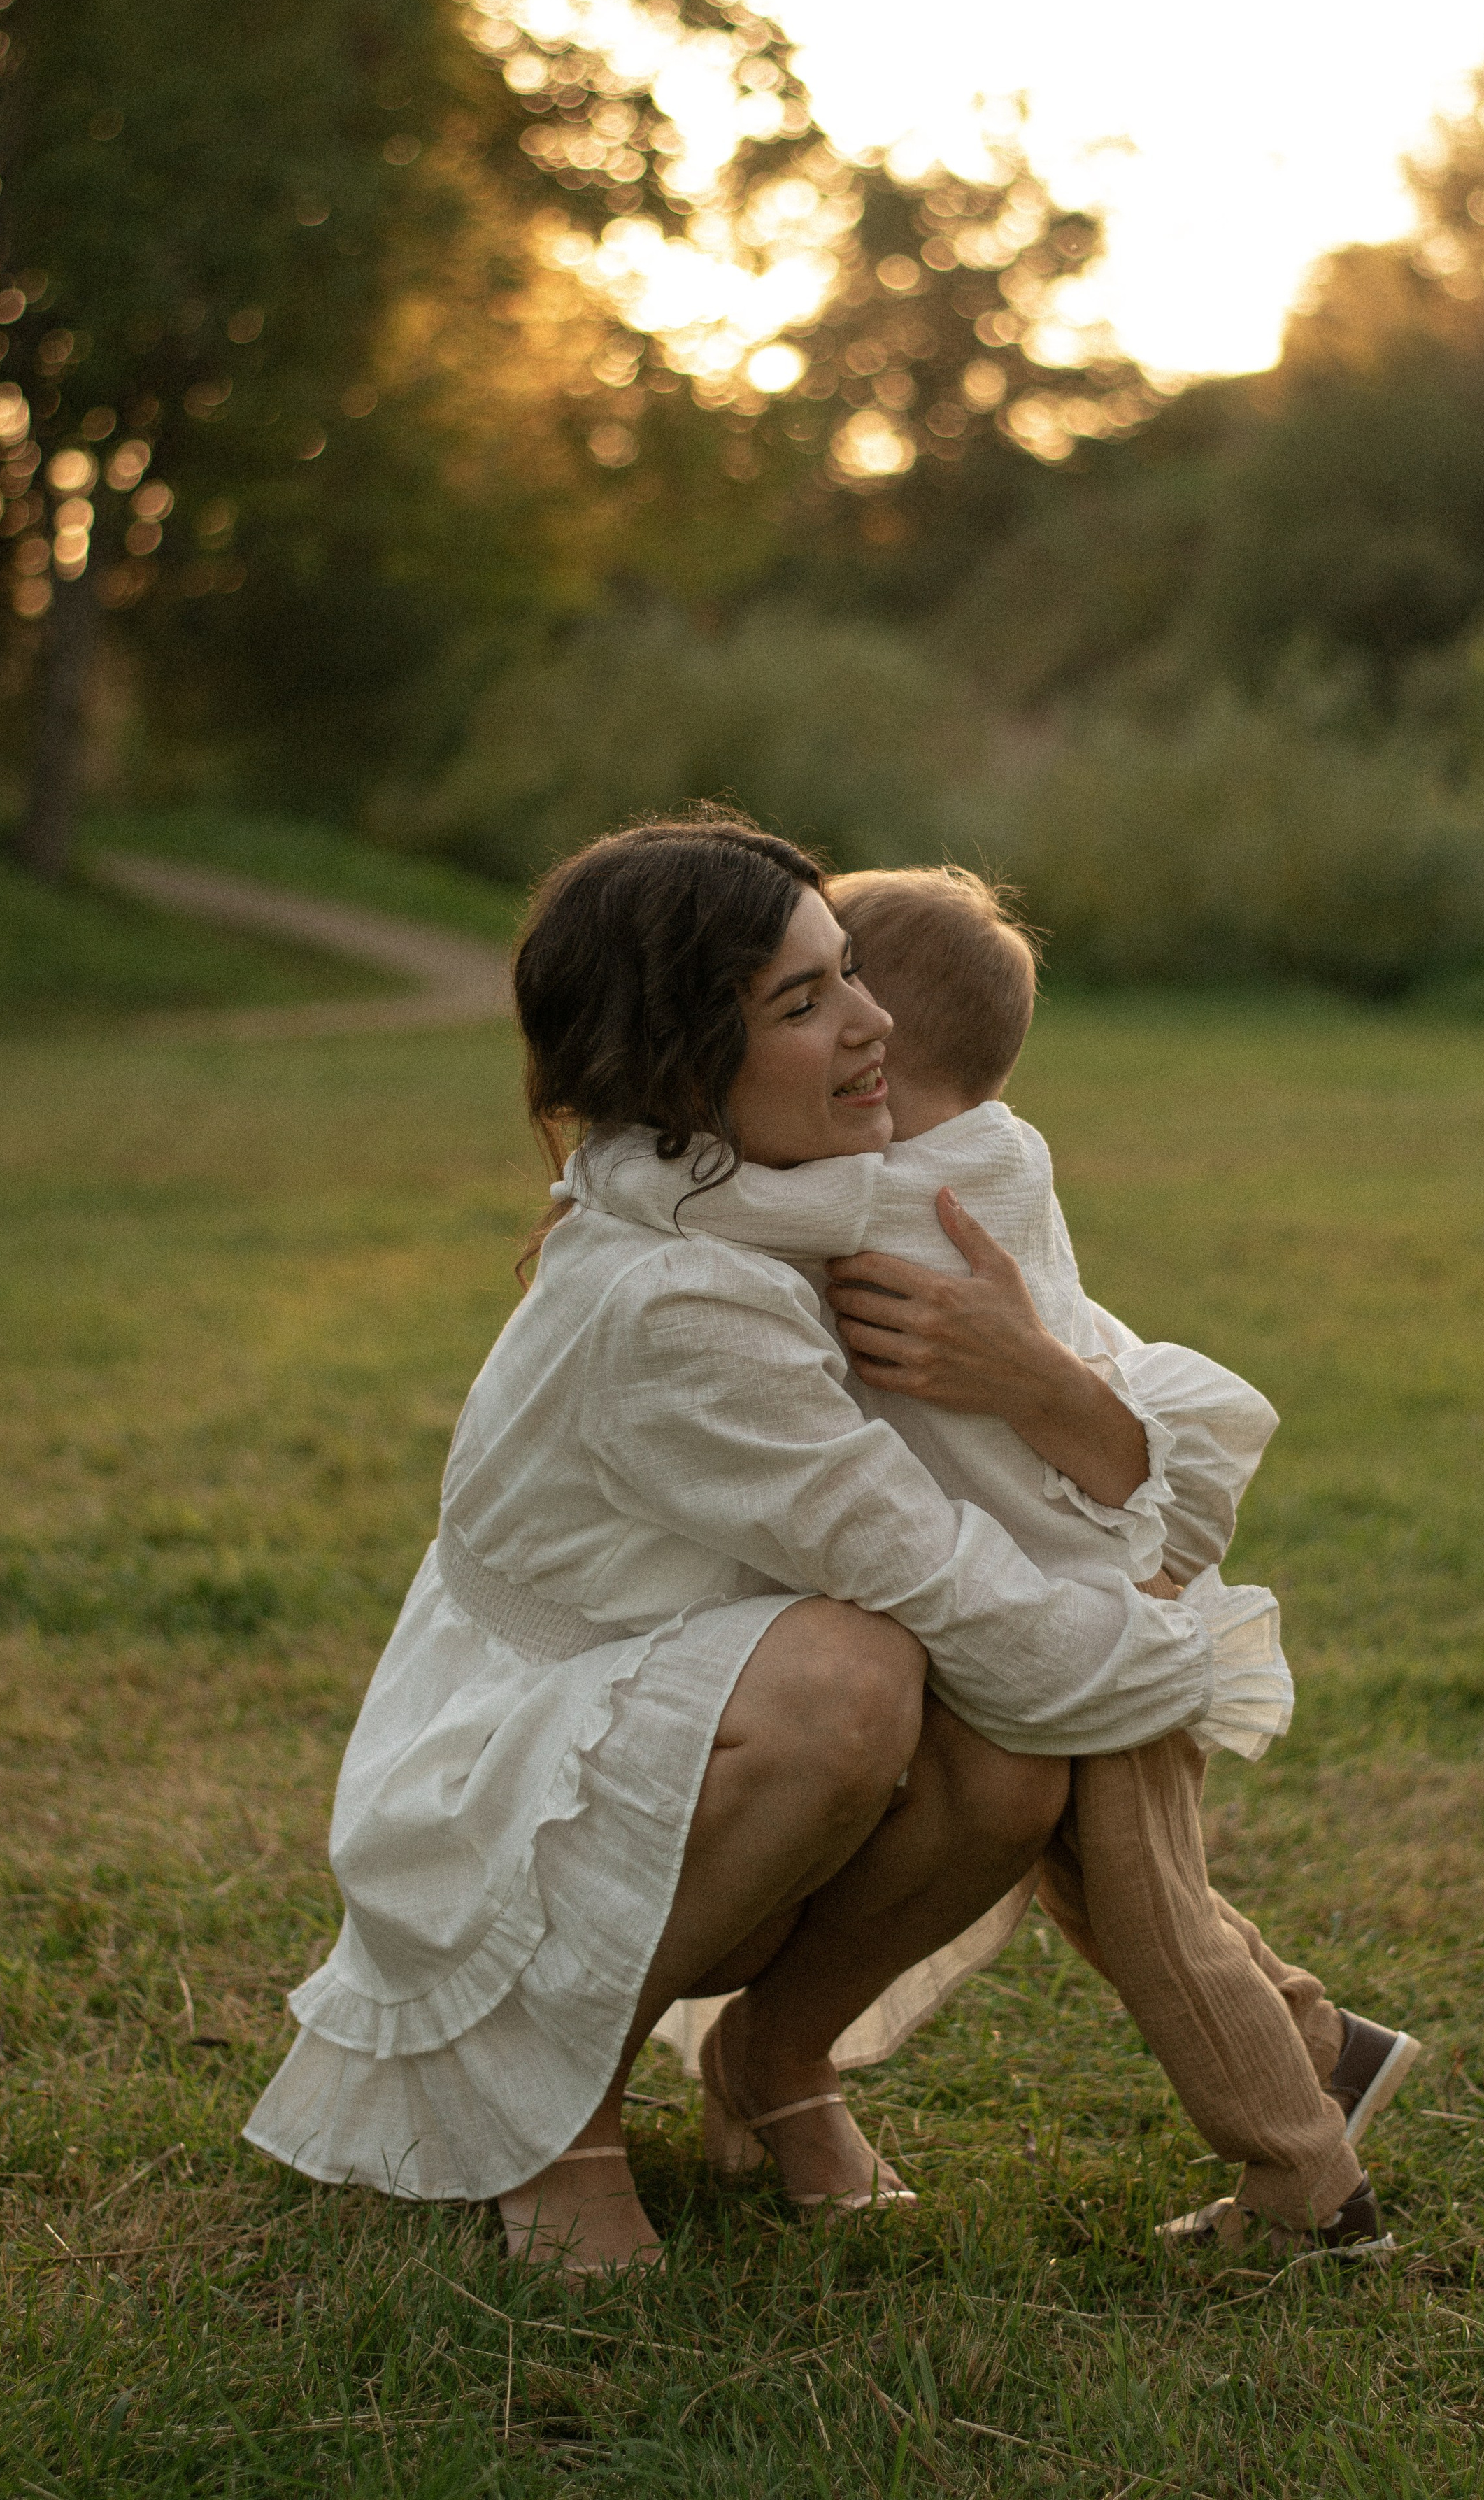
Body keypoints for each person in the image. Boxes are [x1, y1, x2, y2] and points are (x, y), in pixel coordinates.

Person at [244, 815, 1287, 2277]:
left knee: (1007, 1758)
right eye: (802, 1004)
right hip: (530, 1741)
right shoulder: (671, 1296)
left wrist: (1043, 1385)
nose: (870, 1027)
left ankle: (776, 2060)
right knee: (859, 1677)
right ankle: (555, 2113)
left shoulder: (851, 1194)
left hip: (725, 1683)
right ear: (679, 1067)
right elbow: (916, 1562)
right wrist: (1172, 1661)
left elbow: (1138, 1427)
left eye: (848, 972)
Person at [599, 865, 1420, 2258]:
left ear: (879, 1056)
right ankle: (1324, 2051)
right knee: (1116, 1883)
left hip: (1092, 1627)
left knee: (1152, 1919)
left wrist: (610, 1159)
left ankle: (1305, 2186)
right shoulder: (987, 1153)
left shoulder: (903, 1195)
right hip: (1080, 1603)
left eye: (837, 992)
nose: (827, 1020)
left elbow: (716, 1209)